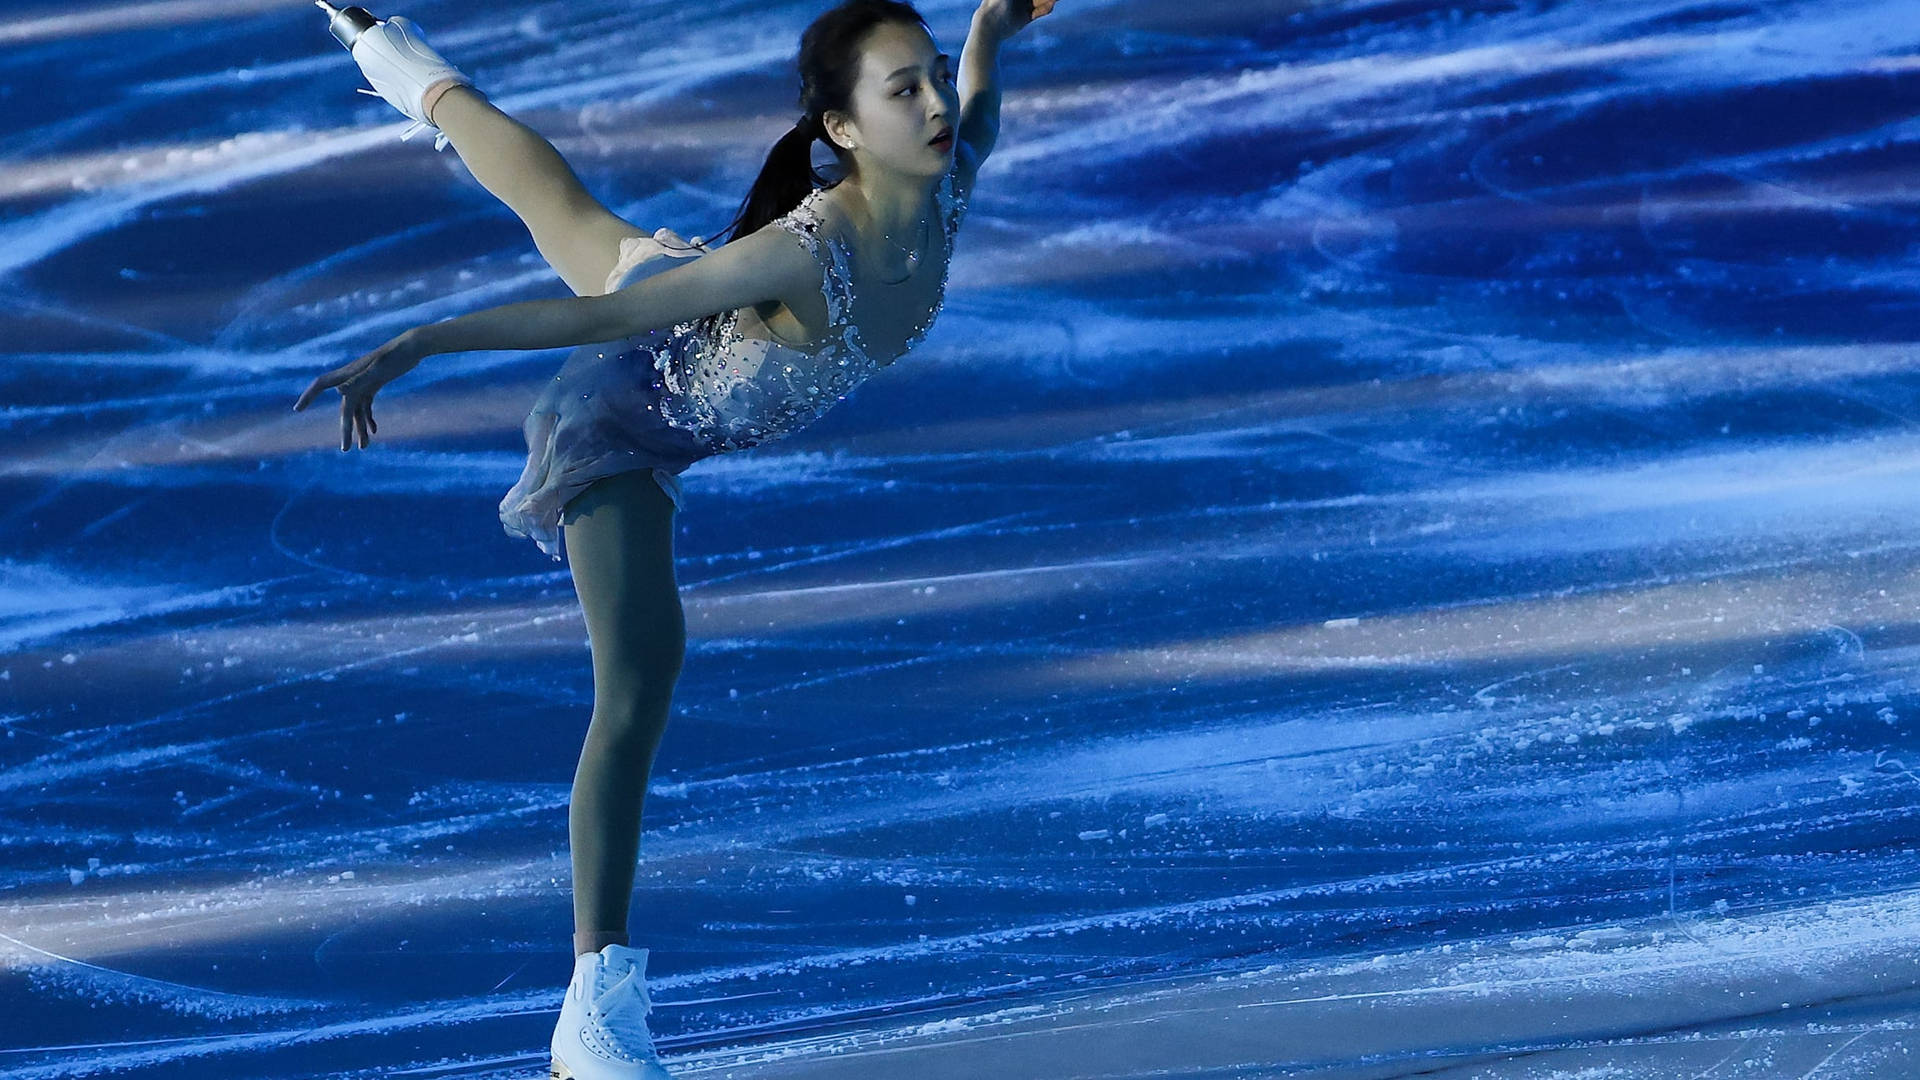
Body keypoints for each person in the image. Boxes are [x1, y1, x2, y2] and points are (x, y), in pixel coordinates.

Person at [293, 1, 1056, 1077]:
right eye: (904, 88)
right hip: (623, 403)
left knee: (548, 193)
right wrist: (421, 340)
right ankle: (593, 1011)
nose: (933, 104)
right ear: (841, 130)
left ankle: (380, 40)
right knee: (640, 684)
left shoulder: (942, 188)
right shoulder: (802, 255)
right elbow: (598, 326)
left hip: (673, 298)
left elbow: (978, 115)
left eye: (930, 76)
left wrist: (987, 31)